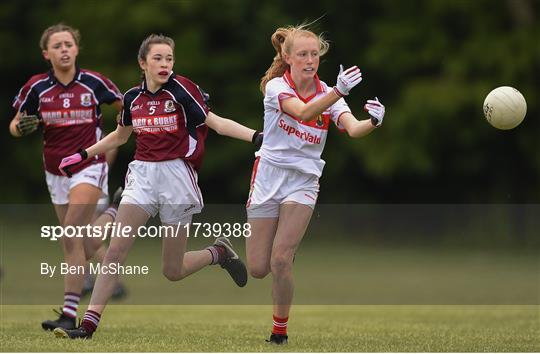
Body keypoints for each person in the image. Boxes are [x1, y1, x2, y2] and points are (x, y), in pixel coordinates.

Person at [53, 34, 261, 339]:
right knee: (114, 253)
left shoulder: (182, 90)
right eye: (158, 59)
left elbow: (215, 123)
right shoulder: (132, 98)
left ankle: (218, 252)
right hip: (142, 178)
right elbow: (120, 137)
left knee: (172, 271)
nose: (165, 65)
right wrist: (83, 154)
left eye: (169, 59)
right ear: (143, 62)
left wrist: (256, 136)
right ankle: (87, 326)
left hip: (177, 177)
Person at [245, 25, 386, 344]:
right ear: (287, 57)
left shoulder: (330, 93)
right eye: (303, 54)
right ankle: (282, 251)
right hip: (267, 175)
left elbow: (352, 129)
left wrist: (373, 122)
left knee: (280, 259)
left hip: (304, 180)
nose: (310, 60)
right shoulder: (276, 87)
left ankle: (279, 332)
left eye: (314, 54)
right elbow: (304, 110)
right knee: (257, 267)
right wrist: (337, 92)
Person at [9, 23, 125, 331]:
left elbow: (127, 107)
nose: (63, 49)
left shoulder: (93, 83)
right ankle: (69, 314)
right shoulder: (36, 87)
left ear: (76, 49)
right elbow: (15, 123)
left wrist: (119, 134)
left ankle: (112, 213)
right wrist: (19, 128)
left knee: (71, 233)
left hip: (88, 164)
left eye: (68, 44)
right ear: (46, 54)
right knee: (73, 244)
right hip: (54, 171)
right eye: (57, 45)